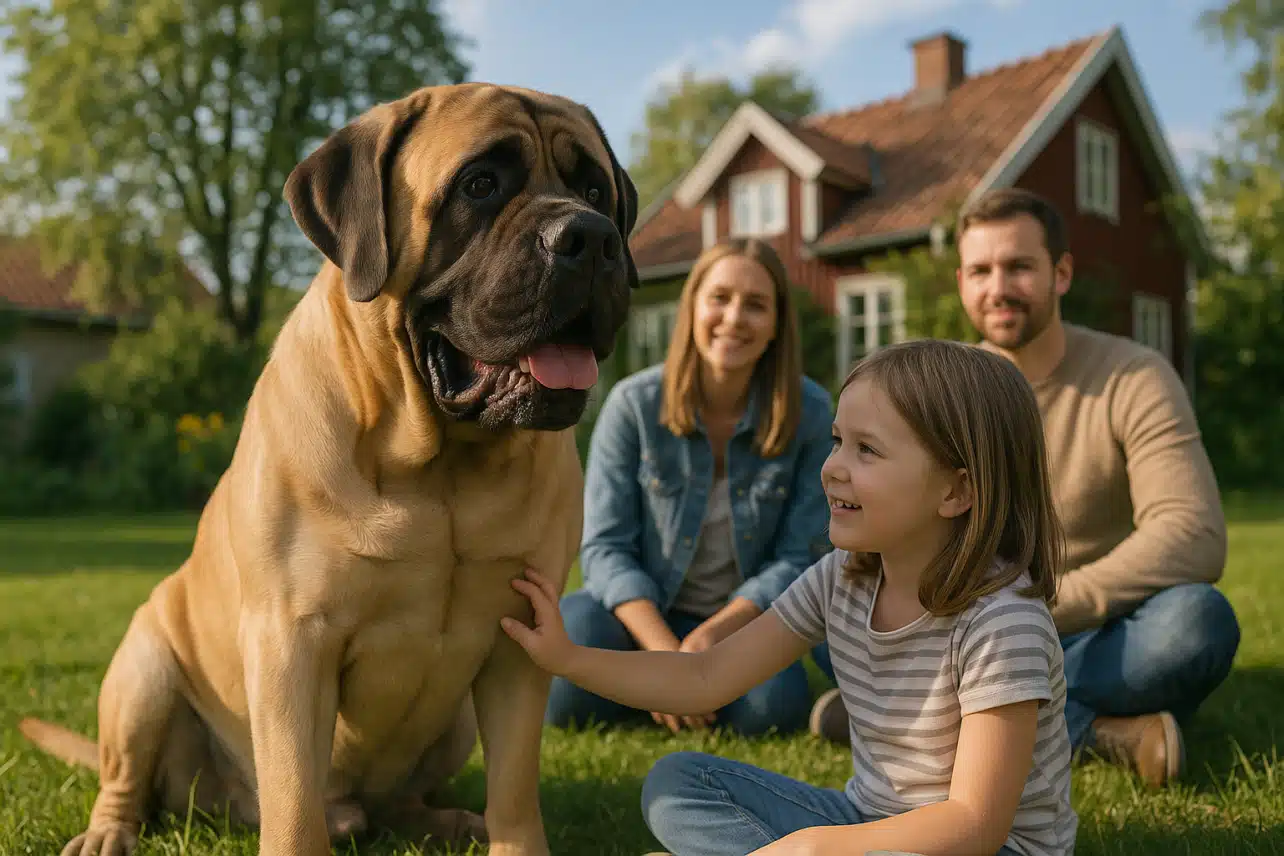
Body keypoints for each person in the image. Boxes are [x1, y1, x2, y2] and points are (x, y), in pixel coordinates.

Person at [505, 339, 1078, 856]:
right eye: (837, 443)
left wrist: (813, 849)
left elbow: (975, 825)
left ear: (955, 490)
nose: (832, 469)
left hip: (978, 849)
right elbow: (705, 677)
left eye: (867, 451)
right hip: (866, 822)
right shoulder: (841, 579)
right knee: (676, 784)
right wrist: (568, 659)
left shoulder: (1003, 623)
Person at [826, 187, 1236, 791]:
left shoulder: (1135, 376)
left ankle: (907, 720)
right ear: (962, 281)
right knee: (837, 602)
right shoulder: (940, 392)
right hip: (955, 630)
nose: (998, 287)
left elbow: (1193, 536)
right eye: (980, 270)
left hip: (1098, 623)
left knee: (1195, 624)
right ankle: (1103, 734)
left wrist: (1039, 608)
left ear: (1060, 272)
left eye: (1018, 266)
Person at [544, 238, 836, 738]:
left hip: (742, 626)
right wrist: (665, 657)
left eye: (756, 305)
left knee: (773, 710)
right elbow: (605, 549)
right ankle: (668, 695)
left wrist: (713, 639)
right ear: (694, 307)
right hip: (642, 618)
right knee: (566, 693)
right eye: (719, 297)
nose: (734, 317)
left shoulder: (810, 413)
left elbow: (801, 558)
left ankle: (655, 697)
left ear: (776, 325)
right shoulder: (633, 405)